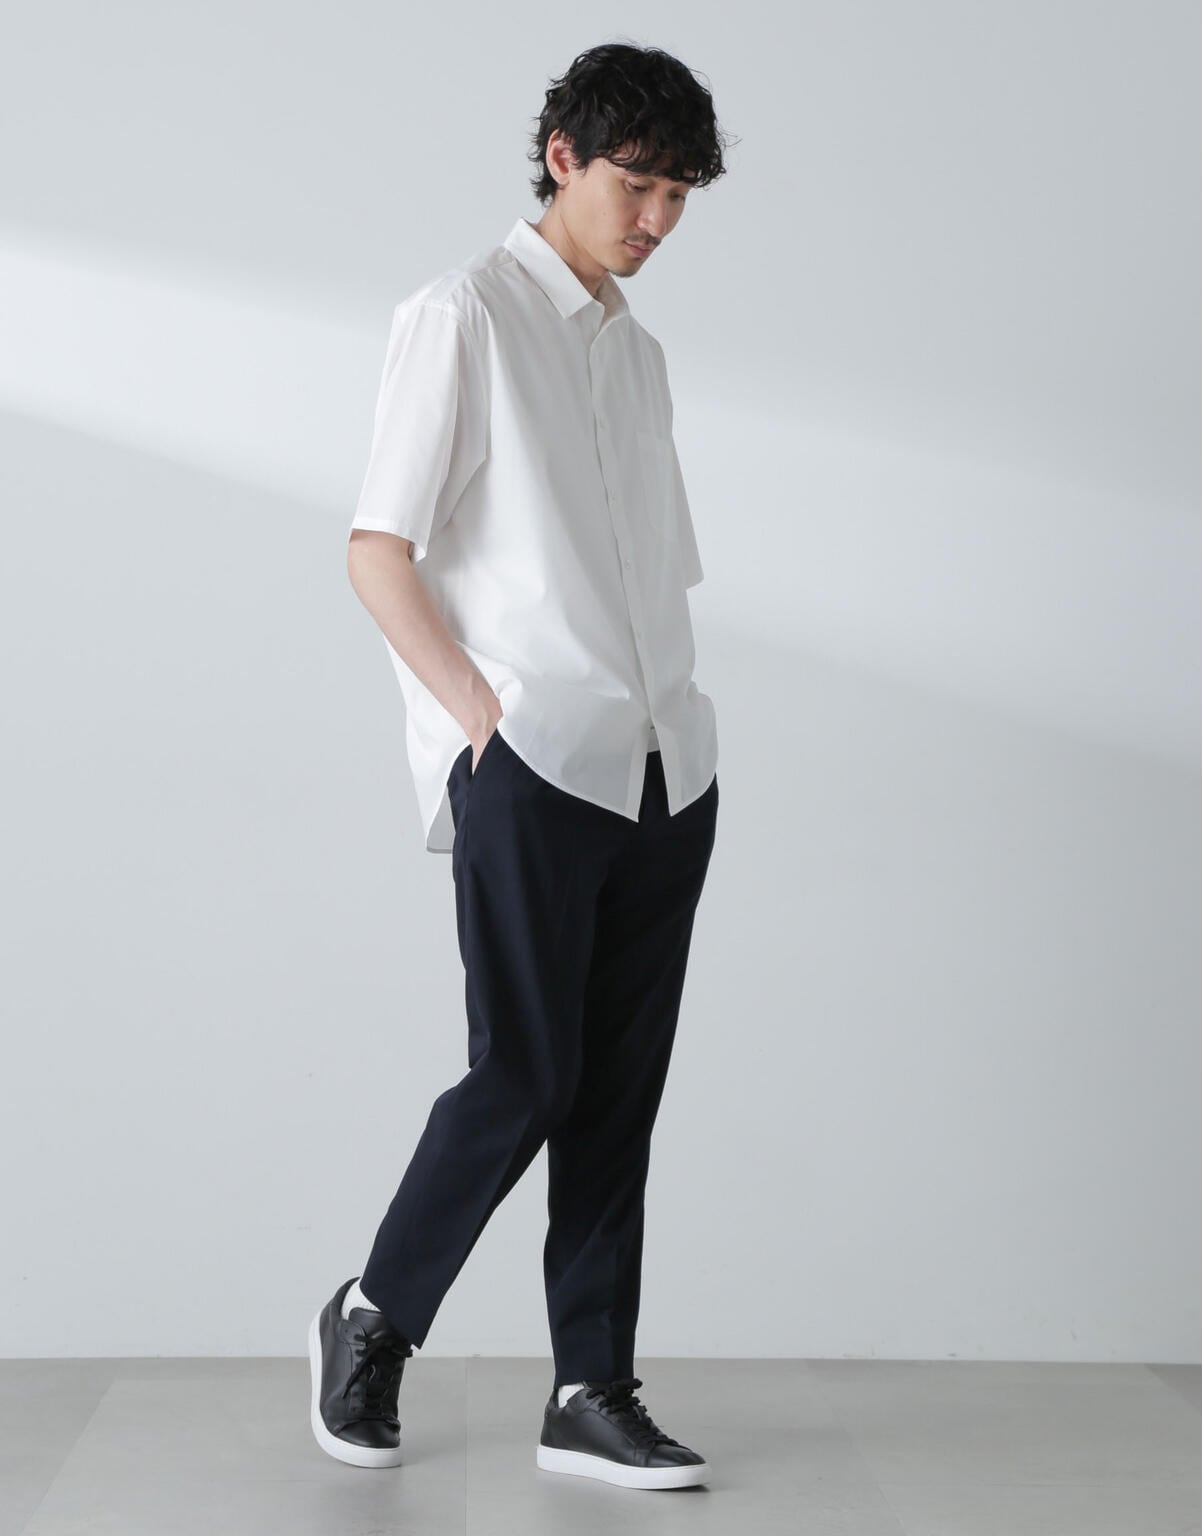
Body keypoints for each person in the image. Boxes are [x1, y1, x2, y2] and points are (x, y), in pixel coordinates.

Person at [308, 41, 730, 1492]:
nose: (656, 219)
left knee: (617, 1096)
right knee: (528, 1075)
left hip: (666, 767)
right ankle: (374, 1316)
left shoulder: (638, 354)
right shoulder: (464, 316)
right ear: (561, 154)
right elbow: (379, 550)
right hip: (537, 762)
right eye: (637, 184)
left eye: (678, 196)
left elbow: (654, 572)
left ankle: (590, 1390)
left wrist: (681, 721)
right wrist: (485, 720)